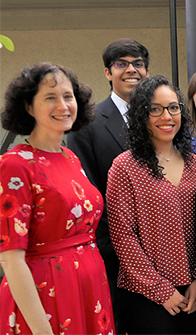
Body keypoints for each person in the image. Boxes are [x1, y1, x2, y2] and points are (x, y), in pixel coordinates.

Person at [0, 63, 114, 335]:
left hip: (89, 287)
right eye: (50, 98)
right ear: (28, 107)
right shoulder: (15, 165)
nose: (63, 105)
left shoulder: (70, 157)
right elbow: (10, 258)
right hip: (45, 294)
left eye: (68, 96)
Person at [105, 75, 196, 334]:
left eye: (174, 108)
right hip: (145, 294)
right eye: (156, 109)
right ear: (141, 116)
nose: (167, 116)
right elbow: (122, 236)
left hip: (194, 292)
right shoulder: (124, 166)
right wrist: (160, 290)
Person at [66, 38, 150, 334]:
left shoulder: (162, 119)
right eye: (121, 64)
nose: (131, 70)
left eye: (137, 64)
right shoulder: (87, 123)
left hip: (161, 252)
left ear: (147, 72)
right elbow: (86, 189)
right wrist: (112, 246)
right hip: (111, 253)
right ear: (107, 73)